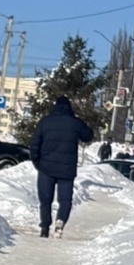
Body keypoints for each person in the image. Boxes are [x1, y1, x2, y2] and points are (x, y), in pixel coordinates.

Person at [29, 95, 94, 237]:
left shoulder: (45, 122)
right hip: (67, 170)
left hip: (46, 168)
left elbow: (34, 144)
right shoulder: (75, 123)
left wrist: (37, 162)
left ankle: (45, 227)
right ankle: (61, 220)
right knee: (65, 200)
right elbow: (88, 136)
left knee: (45, 200)